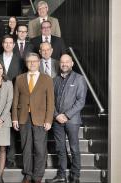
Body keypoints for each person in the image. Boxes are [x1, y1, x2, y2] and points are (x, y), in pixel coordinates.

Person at [12, 52, 54, 183]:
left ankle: (38, 175)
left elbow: (50, 102)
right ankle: (28, 174)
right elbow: (15, 100)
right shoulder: (19, 78)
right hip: (23, 117)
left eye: (34, 61)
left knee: (40, 147)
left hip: (41, 118)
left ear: (39, 62)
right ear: (26, 63)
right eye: (29, 61)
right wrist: (14, 118)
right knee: (26, 147)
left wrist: (48, 120)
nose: (32, 63)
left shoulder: (47, 79)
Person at [46, 54, 87, 183]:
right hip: (57, 121)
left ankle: (75, 175)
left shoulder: (79, 79)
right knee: (60, 148)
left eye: (67, 62)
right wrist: (57, 115)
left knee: (74, 148)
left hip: (72, 121)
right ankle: (61, 175)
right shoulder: (55, 80)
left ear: (72, 63)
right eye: (62, 62)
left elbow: (80, 102)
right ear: (59, 64)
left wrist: (67, 115)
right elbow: (50, 101)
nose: (64, 64)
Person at [0, 35, 23, 168]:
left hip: (14, 97)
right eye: (6, 42)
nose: (8, 45)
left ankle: (10, 158)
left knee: (10, 129)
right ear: (3, 44)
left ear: (14, 45)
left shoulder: (20, 60)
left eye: (11, 43)